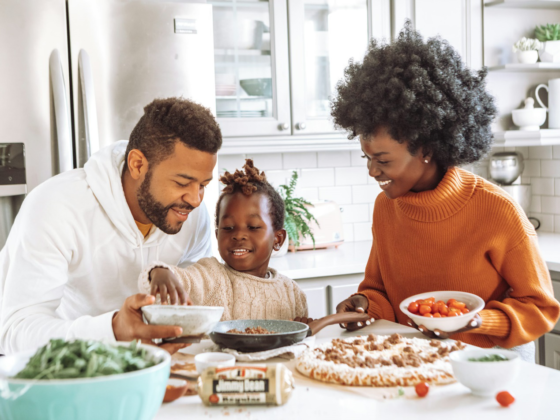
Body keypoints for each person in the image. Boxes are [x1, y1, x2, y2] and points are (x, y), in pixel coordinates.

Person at [333, 23, 560, 362]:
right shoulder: (386, 207)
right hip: (416, 357)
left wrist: (476, 320)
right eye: (367, 157)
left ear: (425, 148)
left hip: (490, 360)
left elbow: (539, 307)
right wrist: (363, 304)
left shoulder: (497, 210)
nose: (371, 170)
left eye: (382, 160)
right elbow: (378, 290)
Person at [0, 97, 222, 355]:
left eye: (203, 185)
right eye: (182, 183)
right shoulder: (55, 206)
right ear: (137, 164)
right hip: (62, 376)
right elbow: (14, 331)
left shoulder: (191, 215)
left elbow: (193, 289)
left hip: (150, 371)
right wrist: (112, 330)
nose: (195, 200)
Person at [137, 159, 309, 321]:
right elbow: (180, 279)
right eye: (228, 228)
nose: (239, 235)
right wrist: (158, 272)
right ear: (218, 235)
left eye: (253, 227)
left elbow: (301, 342)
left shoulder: (293, 293)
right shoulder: (210, 276)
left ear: (278, 239)